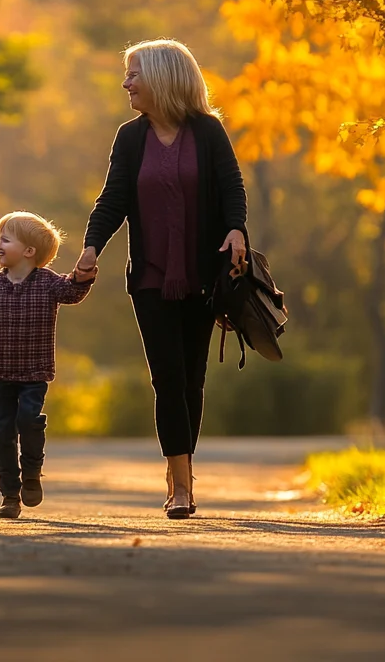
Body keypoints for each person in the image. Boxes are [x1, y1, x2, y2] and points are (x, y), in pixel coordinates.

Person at [73, 39, 248, 520]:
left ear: (163, 77)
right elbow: (113, 200)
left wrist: (236, 230)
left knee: (193, 380)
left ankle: (179, 469)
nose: (126, 83)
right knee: (167, 378)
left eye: (134, 73)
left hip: (203, 276)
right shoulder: (130, 139)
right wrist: (91, 247)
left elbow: (232, 188)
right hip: (151, 277)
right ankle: (183, 485)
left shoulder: (208, 133)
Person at [0, 211, 93, 519]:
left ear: (29, 251)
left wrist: (84, 276)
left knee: (28, 419)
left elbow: (72, 292)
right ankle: (10, 494)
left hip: (34, 372)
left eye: (5, 239)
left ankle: (32, 470)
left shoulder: (49, 284)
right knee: (2, 433)